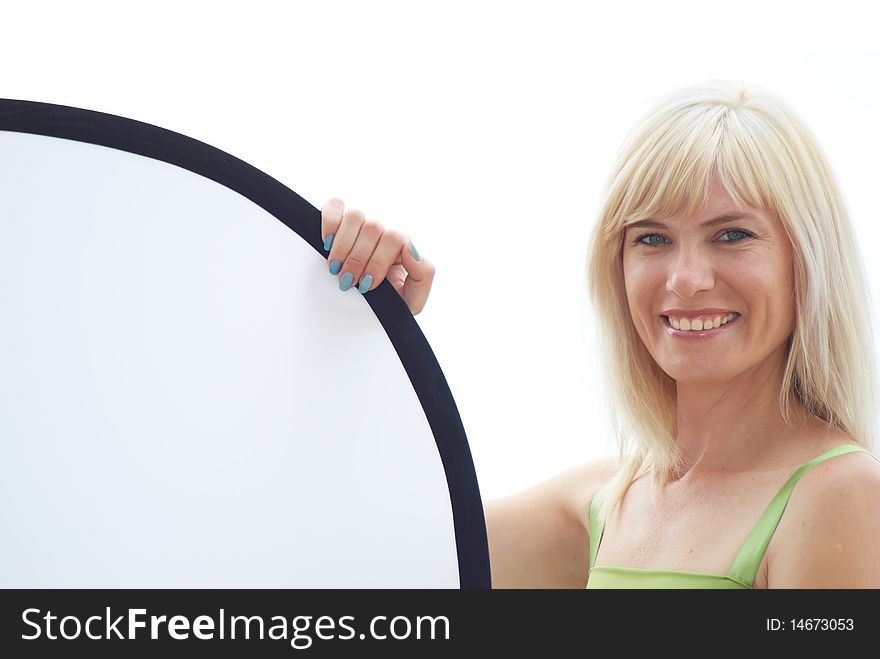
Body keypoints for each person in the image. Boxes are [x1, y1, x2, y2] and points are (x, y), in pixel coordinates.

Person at [318, 80, 880, 588]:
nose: (686, 281)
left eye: (732, 234)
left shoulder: (841, 494)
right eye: (652, 239)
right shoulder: (604, 504)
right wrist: (365, 328)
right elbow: (346, 557)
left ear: (805, 262)